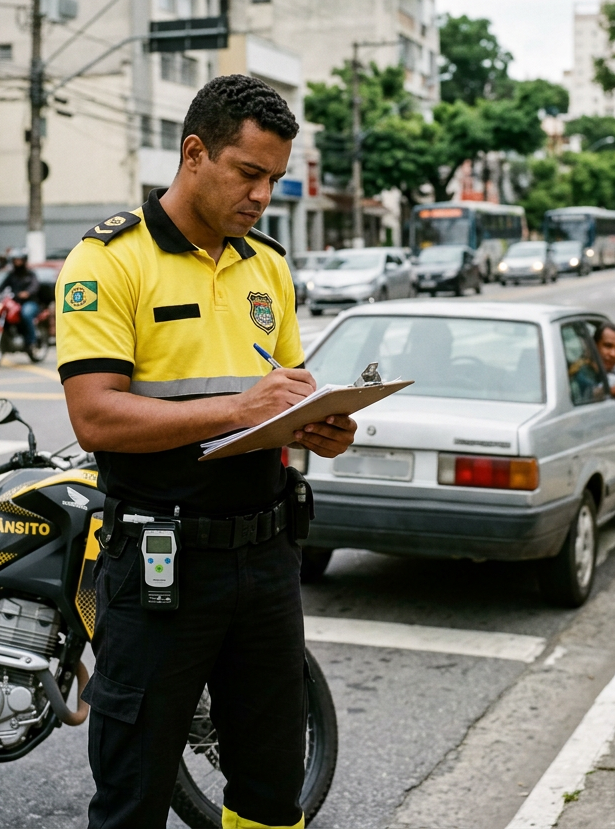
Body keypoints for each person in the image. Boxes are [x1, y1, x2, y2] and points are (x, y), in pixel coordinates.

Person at [55, 75, 357, 829]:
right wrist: (239, 408)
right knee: (134, 789)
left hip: (265, 560)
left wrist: (319, 425)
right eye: (249, 174)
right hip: (160, 563)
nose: (263, 195)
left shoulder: (267, 266)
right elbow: (95, 416)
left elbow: (278, 396)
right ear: (195, 153)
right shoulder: (109, 260)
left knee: (270, 785)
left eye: (275, 180)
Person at [3, 248, 40, 345]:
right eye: (15, 260)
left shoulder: (30, 274)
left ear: (24, 260)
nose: (17, 262)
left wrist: (27, 293)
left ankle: (31, 341)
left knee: (26, 314)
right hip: (15, 302)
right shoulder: (11, 275)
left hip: (30, 302)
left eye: (19, 260)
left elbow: (35, 286)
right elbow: (1, 286)